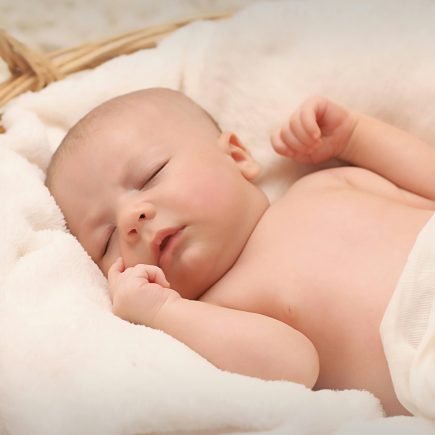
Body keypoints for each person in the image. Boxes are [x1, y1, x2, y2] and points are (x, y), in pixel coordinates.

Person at [46, 88, 435, 420]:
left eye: (151, 174)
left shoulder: (325, 182)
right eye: (108, 237)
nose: (132, 217)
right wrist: (161, 311)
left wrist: (355, 136)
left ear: (236, 156)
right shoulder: (217, 312)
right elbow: (294, 366)